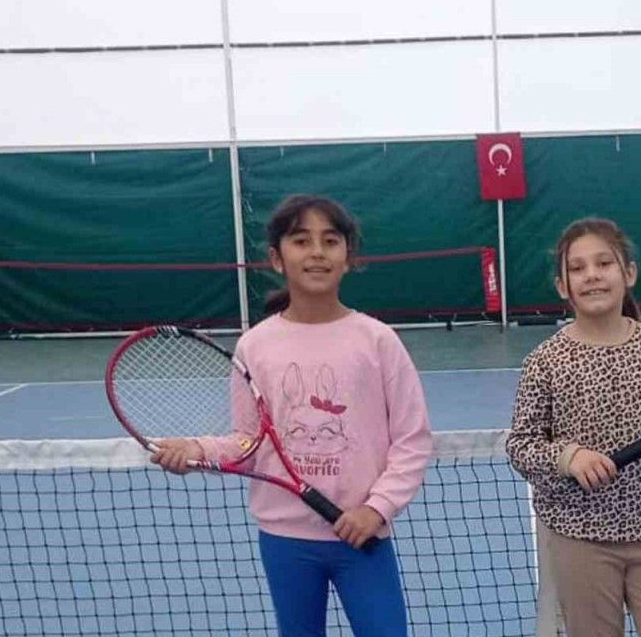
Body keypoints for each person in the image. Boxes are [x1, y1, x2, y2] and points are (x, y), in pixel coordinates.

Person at [152, 194, 432, 637]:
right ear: (276, 258)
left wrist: (375, 509)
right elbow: (248, 442)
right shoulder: (255, 346)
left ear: (348, 257)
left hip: (362, 536)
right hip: (285, 541)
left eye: (330, 241)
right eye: (302, 241)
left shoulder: (378, 341)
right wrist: (196, 450)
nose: (317, 252)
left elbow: (412, 441)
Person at [506, 217, 641, 637]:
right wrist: (570, 457)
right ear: (563, 286)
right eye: (577, 268)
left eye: (604, 263)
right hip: (579, 539)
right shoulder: (545, 362)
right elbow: (521, 446)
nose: (592, 275)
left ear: (629, 273)